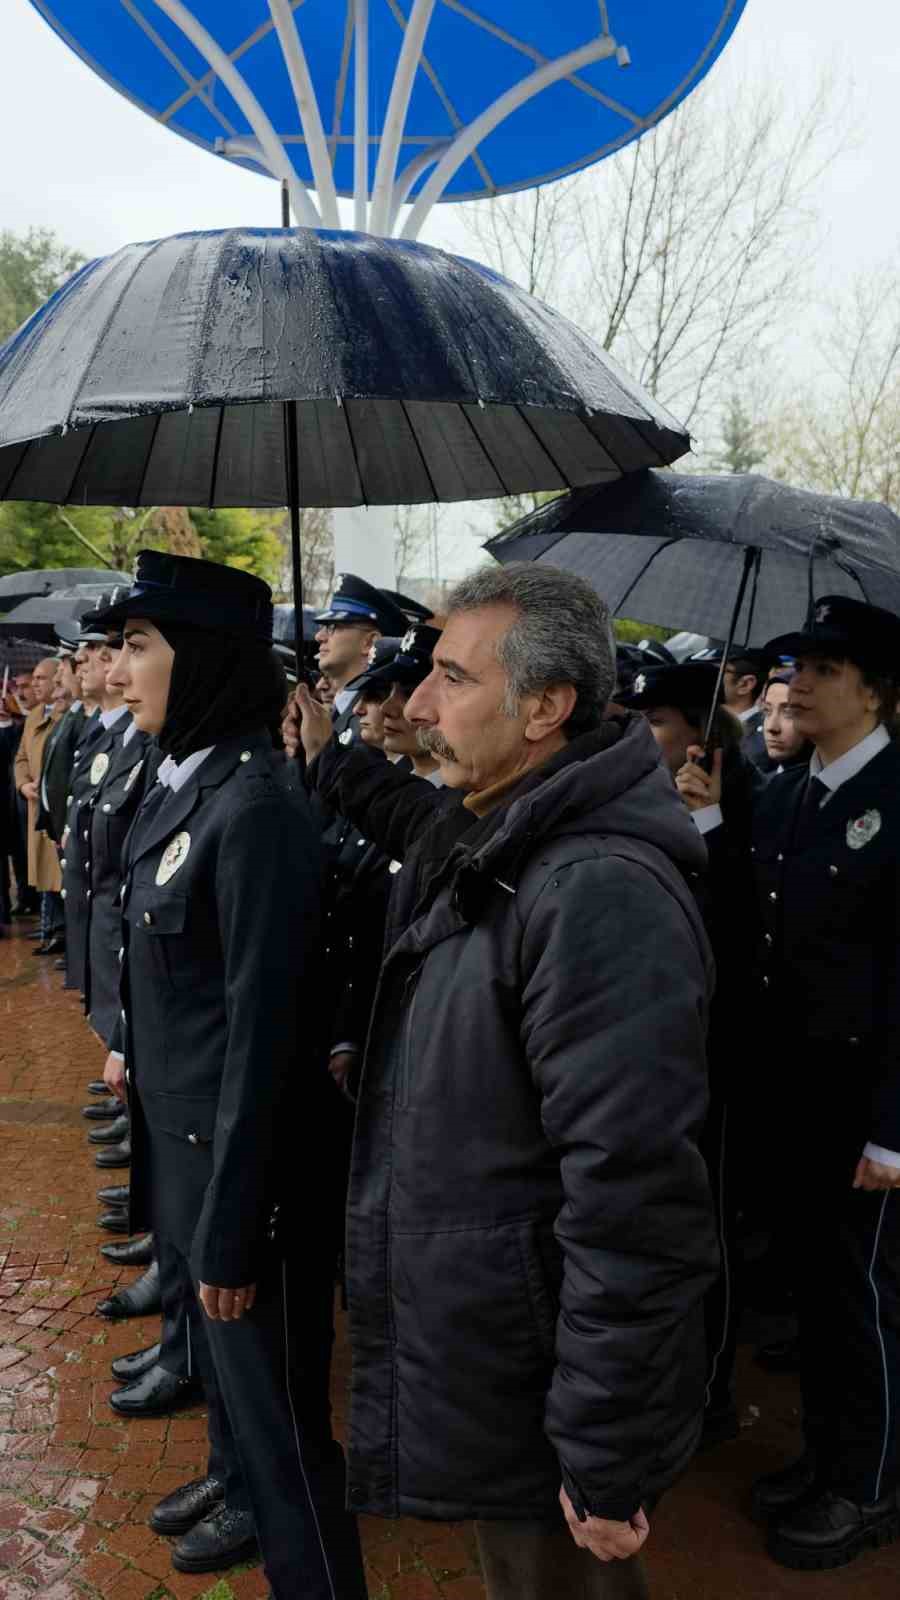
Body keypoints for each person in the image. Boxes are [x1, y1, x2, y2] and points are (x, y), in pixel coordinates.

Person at [299, 563, 718, 1600]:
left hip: (544, 1388)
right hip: (501, 1355)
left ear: (545, 707)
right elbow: (416, 821)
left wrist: (605, 1446)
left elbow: (631, 1200)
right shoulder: (502, 816)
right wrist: (330, 760)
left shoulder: (595, 891)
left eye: (451, 677)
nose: (420, 704)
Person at [87, 551, 367, 1599]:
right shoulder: (194, 785)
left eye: (139, 644)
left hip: (242, 1181)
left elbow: (266, 1041)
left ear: (201, 658)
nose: (121, 669)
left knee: (287, 1438)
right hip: (192, 1158)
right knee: (244, 1409)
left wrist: (237, 1222)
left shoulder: (255, 809)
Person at [677, 594, 900, 1572]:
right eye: (792, 664)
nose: (795, 681)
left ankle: (871, 1483)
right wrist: (714, 822)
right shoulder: (783, 788)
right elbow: (753, 924)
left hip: (866, 1109)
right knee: (814, 1299)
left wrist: (896, 1129)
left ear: (876, 687)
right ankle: (825, 1457)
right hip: (793, 1099)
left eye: (822, 666)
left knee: (865, 1303)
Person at [313, 574, 410, 736]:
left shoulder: (375, 719)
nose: (319, 637)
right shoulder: (341, 707)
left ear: (370, 642)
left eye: (332, 627)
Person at [14, 657, 65, 953]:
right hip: (35, 803)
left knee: (59, 872)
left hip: (56, 808)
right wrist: (23, 784)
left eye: (41, 678)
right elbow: (21, 757)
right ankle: (50, 929)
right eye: (33, 678)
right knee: (45, 874)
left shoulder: (67, 716)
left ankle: (59, 932)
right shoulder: (33, 717)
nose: (35, 684)